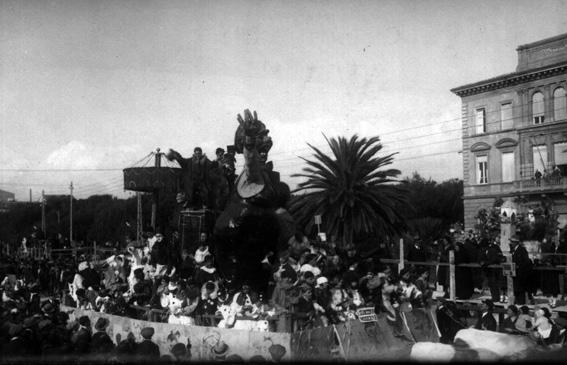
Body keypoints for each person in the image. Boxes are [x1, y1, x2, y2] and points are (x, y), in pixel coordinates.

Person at [510, 237, 533, 304]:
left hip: (521, 273)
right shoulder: (513, 250)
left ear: (515, 242)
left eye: (512, 242)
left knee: (520, 289)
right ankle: (517, 301)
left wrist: (519, 266)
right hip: (515, 273)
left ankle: (521, 302)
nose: (511, 243)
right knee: (516, 288)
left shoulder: (522, 250)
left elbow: (526, 261)